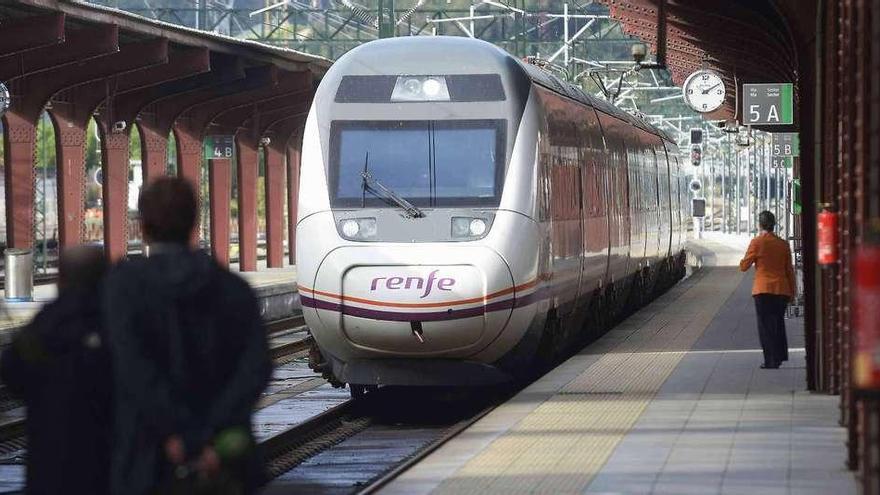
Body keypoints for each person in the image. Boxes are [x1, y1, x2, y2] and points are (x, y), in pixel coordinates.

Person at [103, 177, 272, 495]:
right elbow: (256, 369)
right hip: (225, 460)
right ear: (195, 222)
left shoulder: (122, 289)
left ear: (143, 226)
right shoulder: (235, 290)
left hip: (146, 458)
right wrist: (209, 433)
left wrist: (177, 434)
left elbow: (133, 368)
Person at [0, 245, 111, 495]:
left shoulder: (45, 324)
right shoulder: (119, 324)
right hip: (107, 465)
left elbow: (12, 375)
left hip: (50, 464)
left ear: (61, 278)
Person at [739, 210, 796, 369]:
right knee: (778, 323)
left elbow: (744, 266)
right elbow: (789, 270)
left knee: (765, 327)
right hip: (781, 290)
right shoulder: (783, 244)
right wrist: (793, 292)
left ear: (760, 224)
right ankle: (779, 357)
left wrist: (743, 262)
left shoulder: (757, 242)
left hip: (762, 291)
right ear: (774, 225)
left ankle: (770, 360)